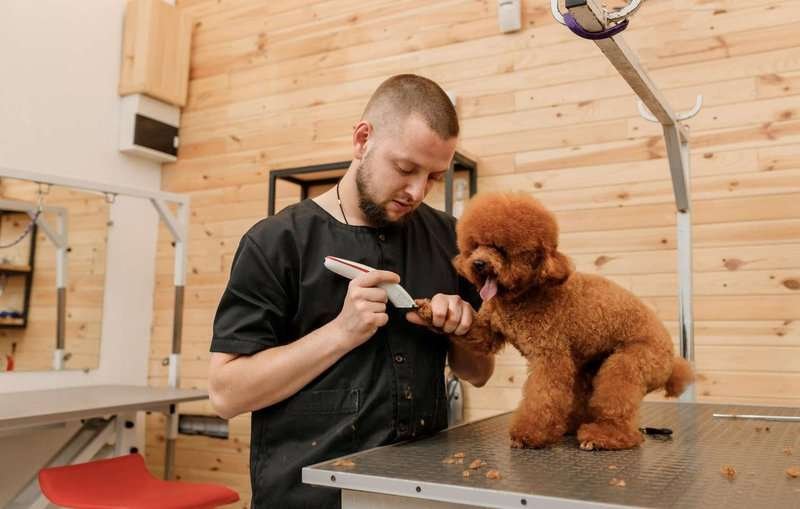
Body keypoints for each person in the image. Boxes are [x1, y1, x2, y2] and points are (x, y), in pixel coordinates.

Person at [208, 74, 494, 508]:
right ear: (363, 140)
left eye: (434, 177)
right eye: (404, 168)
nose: (417, 191)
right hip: (306, 498)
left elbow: (479, 372)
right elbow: (226, 393)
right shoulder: (276, 243)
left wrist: (460, 331)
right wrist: (340, 334)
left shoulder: (448, 238)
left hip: (418, 494)